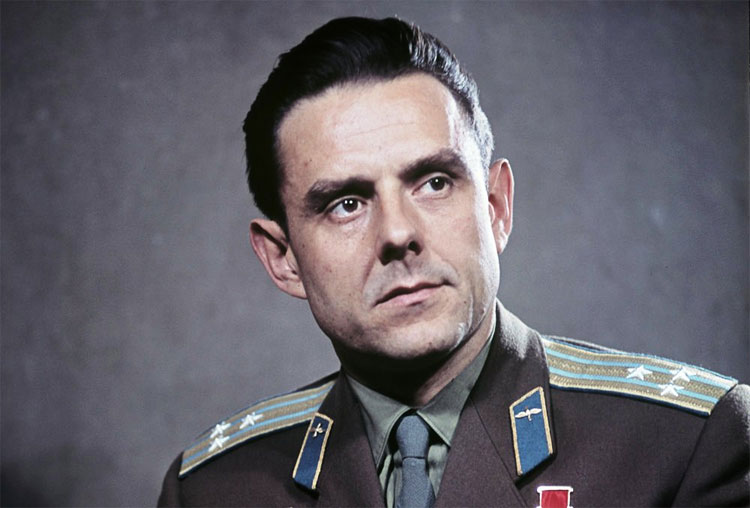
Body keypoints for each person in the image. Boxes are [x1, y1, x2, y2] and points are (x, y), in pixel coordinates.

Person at [158, 16, 749, 507]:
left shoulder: (685, 445)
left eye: (434, 183)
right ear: (283, 258)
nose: (398, 234)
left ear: (496, 206)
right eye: (346, 204)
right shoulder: (215, 490)